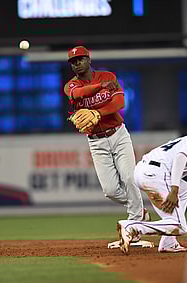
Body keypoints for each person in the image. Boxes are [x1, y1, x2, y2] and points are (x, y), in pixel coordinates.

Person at [63, 46, 151, 249]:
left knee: (129, 178)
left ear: (88, 59)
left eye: (80, 59)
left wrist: (97, 113)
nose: (77, 63)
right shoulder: (70, 85)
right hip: (96, 141)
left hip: (119, 135)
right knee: (110, 190)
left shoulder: (108, 75)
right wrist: (101, 87)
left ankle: (135, 225)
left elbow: (119, 102)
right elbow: (78, 93)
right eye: (73, 61)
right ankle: (139, 211)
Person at [117, 119, 187, 255]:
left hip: (143, 171)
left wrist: (177, 188)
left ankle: (168, 242)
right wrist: (174, 189)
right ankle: (131, 227)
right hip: (156, 173)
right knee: (179, 226)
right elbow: (180, 158)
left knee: (185, 190)